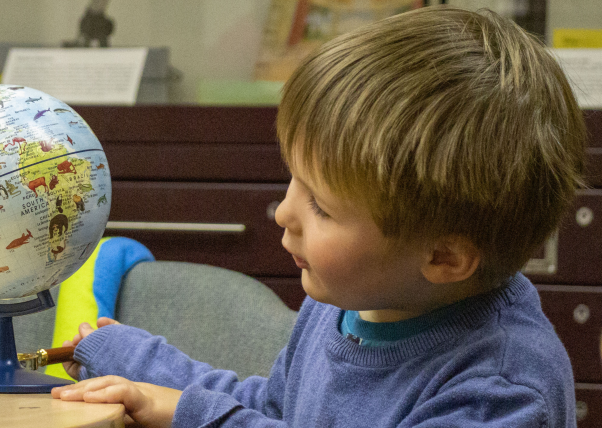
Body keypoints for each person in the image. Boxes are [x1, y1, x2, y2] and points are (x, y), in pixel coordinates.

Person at [51, 6, 587, 427]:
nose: (283, 212)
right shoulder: (350, 302)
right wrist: (134, 361)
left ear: (444, 257)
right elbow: (273, 407)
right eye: (294, 180)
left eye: (322, 207)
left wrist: (188, 412)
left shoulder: (501, 391)